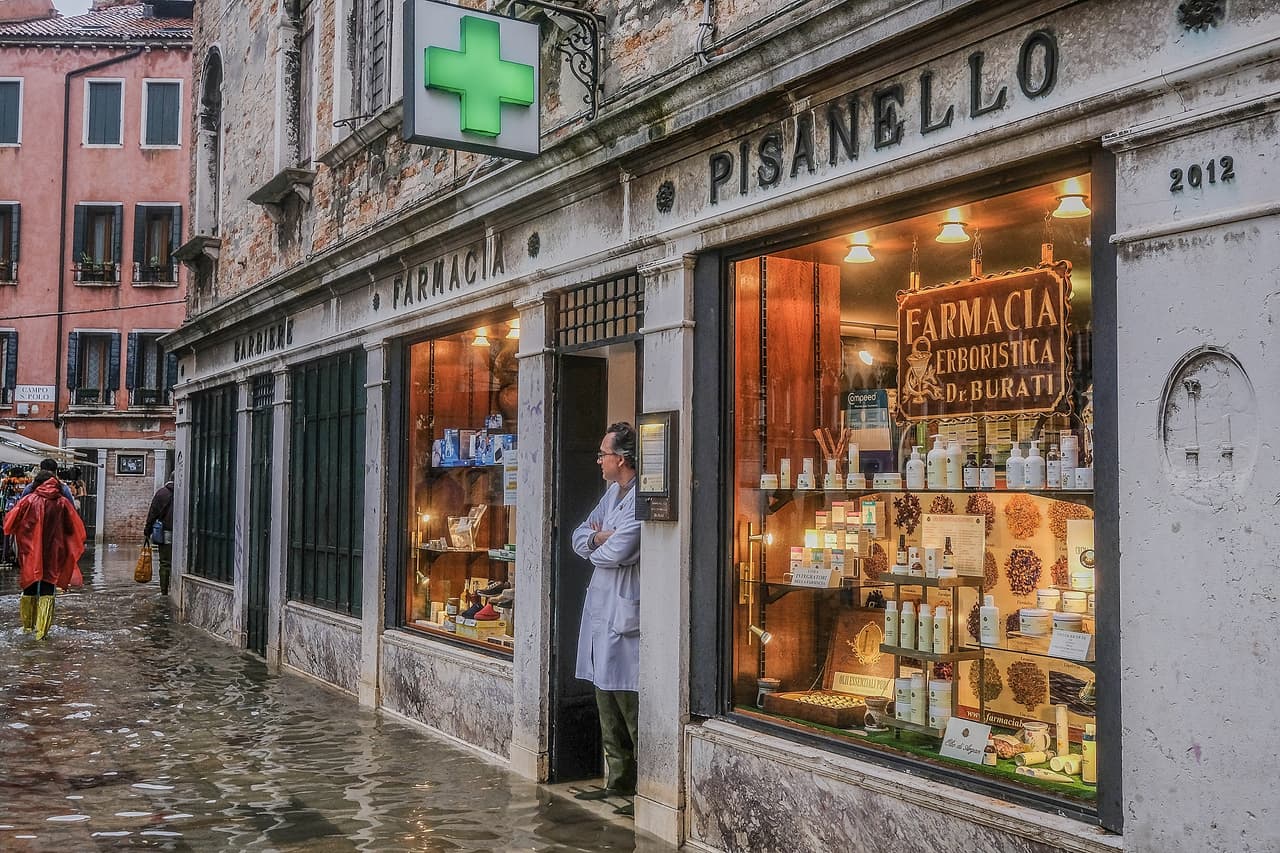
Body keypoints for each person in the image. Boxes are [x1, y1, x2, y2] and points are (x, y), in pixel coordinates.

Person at [570, 422, 642, 816]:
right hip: (602, 607)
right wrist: (600, 538)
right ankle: (616, 781)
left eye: (604, 454)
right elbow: (579, 536)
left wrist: (600, 544)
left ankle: (639, 789)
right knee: (604, 695)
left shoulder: (642, 495)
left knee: (628, 701)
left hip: (625, 608)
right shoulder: (612, 492)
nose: (599, 460)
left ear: (623, 458)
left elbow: (623, 550)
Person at [4, 470, 87, 639]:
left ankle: (28, 627)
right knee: (48, 587)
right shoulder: (62, 503)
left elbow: (10, 523)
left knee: (29, 585)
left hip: (30, 552)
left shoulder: (27, 500)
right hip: (54, 552)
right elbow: (72, 528)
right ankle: (42, 633)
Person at [143, 479, 175, 595]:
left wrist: (147, 530)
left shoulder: (161, 493)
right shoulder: (185, 492)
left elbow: (152, 513)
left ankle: (164, 591)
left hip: (166, 531)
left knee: (165, 563)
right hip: (183, 534)